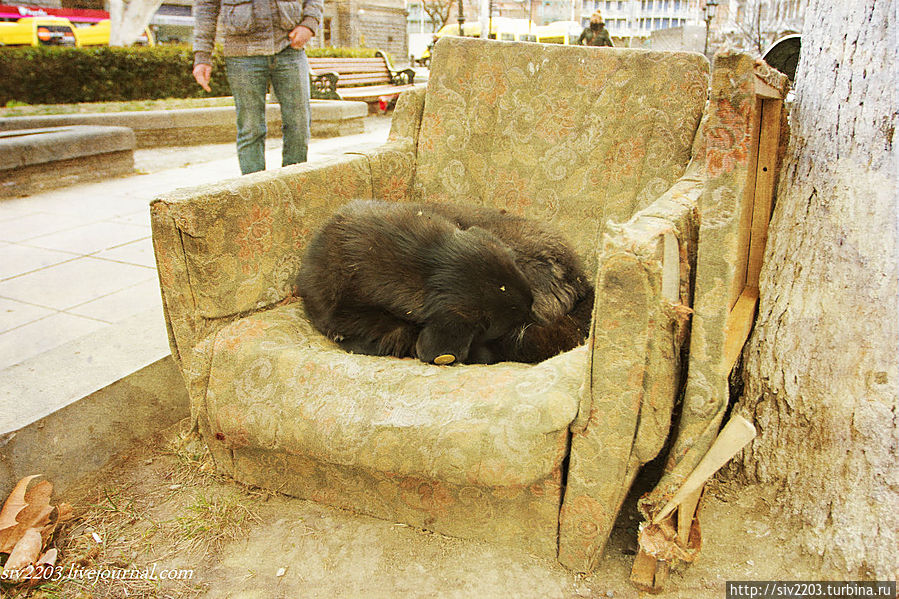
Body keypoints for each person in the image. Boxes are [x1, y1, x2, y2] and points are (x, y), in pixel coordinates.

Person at [192, 0, 323, 175]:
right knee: (250, 128)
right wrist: (202, 56)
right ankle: (255, 194)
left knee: (299, 124)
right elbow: (206, 7)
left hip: (290, 48)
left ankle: (294, 187)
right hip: (242, 54)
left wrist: (309, 24)